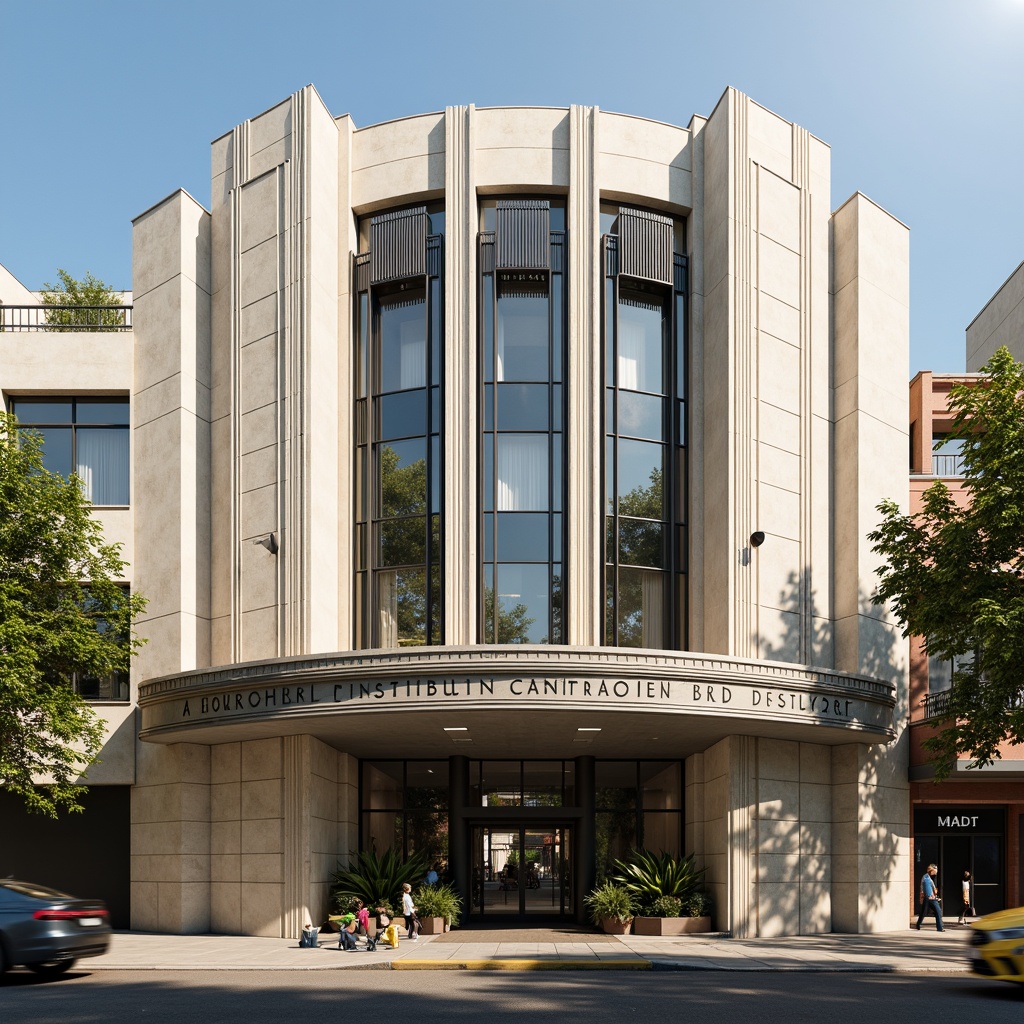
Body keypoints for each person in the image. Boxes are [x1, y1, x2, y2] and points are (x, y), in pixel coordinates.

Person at [916, 863, 944, 931]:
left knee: (923, 912)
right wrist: (931, 896)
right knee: (938, 911)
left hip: (927, 898)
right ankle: (940, 928)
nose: (936, 872)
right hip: (930, 898)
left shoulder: (926, 877)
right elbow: (927, 888)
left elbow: (923, 888)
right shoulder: (927, 878)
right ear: (932, 870)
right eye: (935, 870)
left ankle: (918, 925)